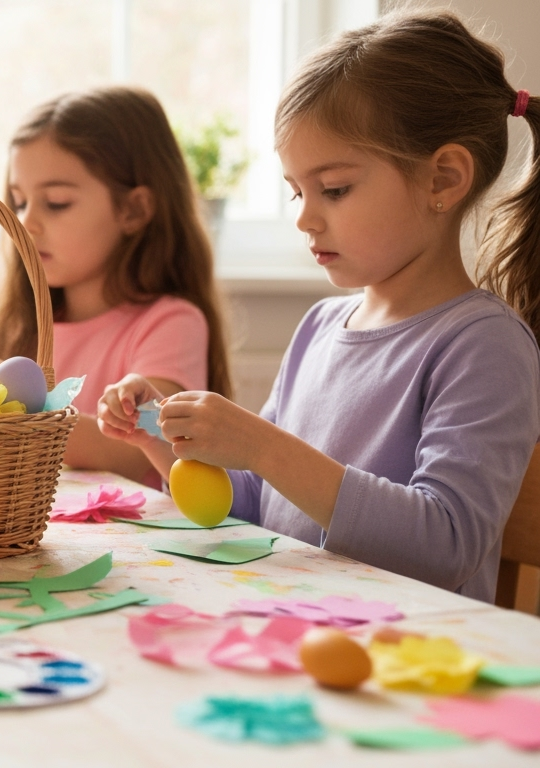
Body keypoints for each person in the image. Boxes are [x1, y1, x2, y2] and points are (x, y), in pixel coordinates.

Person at [98, 9, 540, 603]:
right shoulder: (321, 326)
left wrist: (262, 446)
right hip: (299, 629)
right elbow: (256, 506)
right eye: (296, 191)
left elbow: (447, 547)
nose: (304, 216)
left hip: (408, 657)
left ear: (443, 179)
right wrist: (160, 433)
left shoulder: (483, 344)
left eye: (334, 189)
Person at [0, 87, 232, 484]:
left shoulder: (172, 324)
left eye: (56, 202)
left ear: (133, 209)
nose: (25, 223)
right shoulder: (20, 328)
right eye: (19, 201)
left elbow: (134, 450)